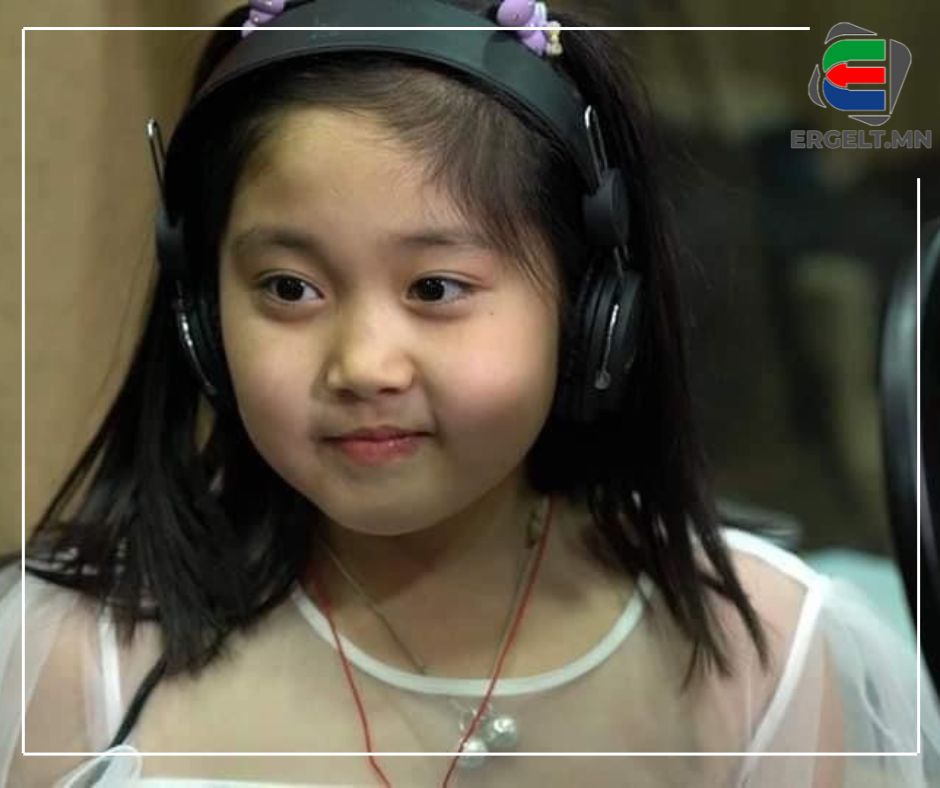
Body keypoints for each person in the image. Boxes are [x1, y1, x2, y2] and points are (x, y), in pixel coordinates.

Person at [3, 1, 939, 785]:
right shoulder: (74, 656)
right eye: (289, 288)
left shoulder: (766, 654)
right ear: (202, 318)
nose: (363, 365)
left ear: (592, 315)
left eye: (436, 288)